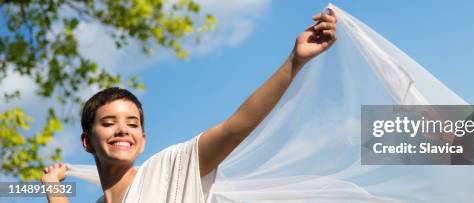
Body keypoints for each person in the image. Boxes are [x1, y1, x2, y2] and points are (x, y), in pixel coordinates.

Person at [40, 8, 337, 203]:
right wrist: (52, 185)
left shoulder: (170, 169)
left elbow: (235, 128)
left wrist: (294, 61)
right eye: (108, 123)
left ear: (143, 140)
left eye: (132, 124)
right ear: (87, 142)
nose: (122, 131)